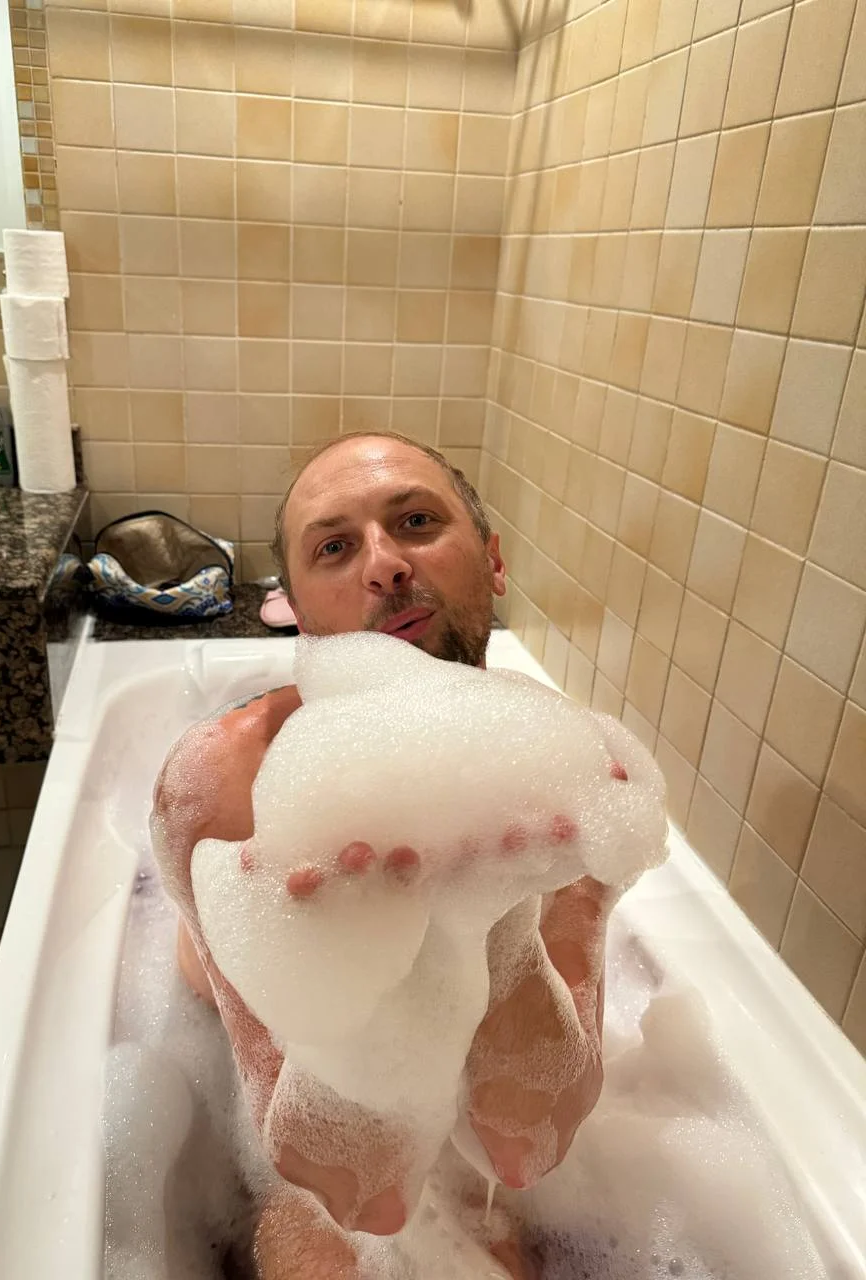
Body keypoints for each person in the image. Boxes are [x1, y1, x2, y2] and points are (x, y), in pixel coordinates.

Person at [151, 432, 614, 1280]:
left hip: (443, 1074)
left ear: (493, 559)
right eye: (334, 547)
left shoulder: (568, 781)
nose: (386, 565)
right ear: (295, 611)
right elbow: (352, 1190)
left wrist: (493, 915)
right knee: (318, 1250)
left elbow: (525, 1149)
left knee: (500, 1250)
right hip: (282, 1079)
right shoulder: (227, 784)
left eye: (416, 522)